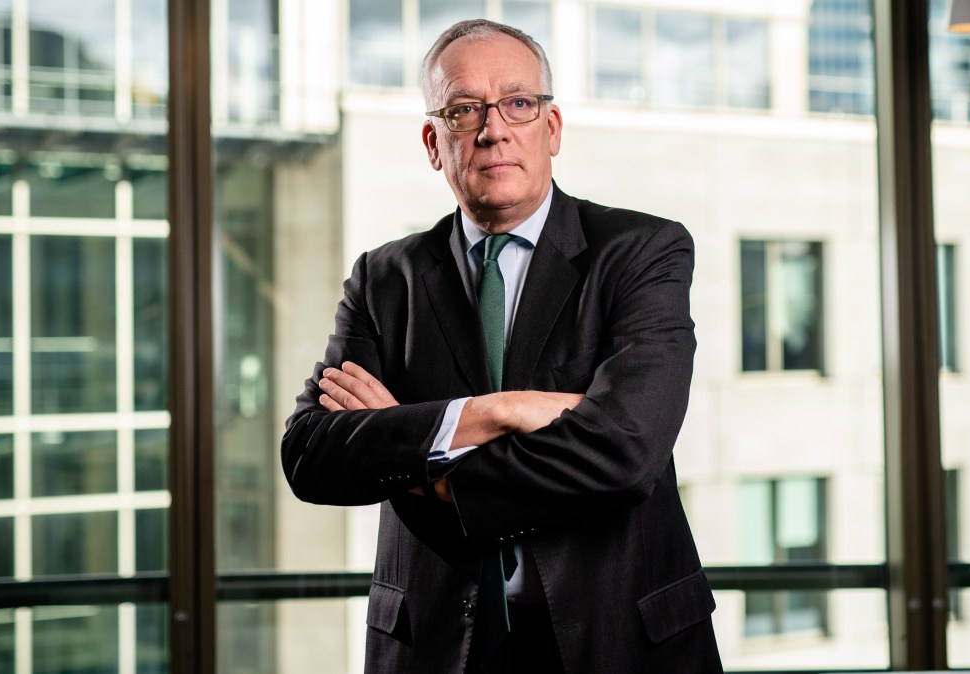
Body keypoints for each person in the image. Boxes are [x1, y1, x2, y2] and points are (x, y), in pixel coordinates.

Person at [282, 19, 723, 674]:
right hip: (436, 648)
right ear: (434, 143)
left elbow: (627, 451)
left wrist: (431, 471)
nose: (494, 129)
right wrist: (491, 413)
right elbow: (311, 454)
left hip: (616, 639)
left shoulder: (641, 252)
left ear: (552, 128)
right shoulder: (385, 278)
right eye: (465, 109)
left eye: (518, 102)